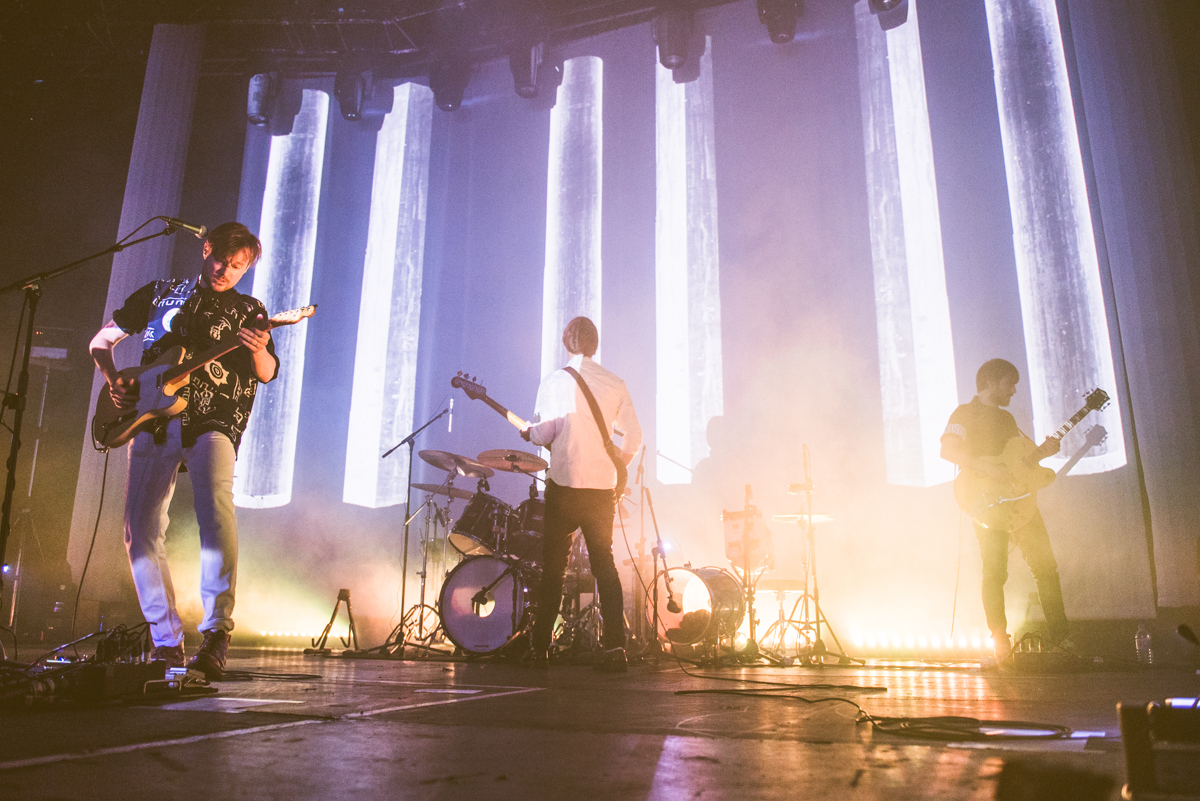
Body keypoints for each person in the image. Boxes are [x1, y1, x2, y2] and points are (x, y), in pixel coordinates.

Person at [89, 222, 278, 679]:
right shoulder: (159, 292)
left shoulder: (249, 309)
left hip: (215, 417)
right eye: (221, 260)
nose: (226, 271)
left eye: (239, 267)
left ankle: (217, 632)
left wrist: (255, 351)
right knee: (139, 529)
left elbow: (268, 372)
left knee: (215, 511)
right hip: (150, 420)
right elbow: (101, 341)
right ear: (207, 249)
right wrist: (114, 378)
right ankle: (165, 640)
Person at [521, 317, 642, 672]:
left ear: (565, 342)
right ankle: (615, 648)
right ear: (595, 344)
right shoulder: (614, 382)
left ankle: (541, 646)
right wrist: (618, 462)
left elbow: (545, 434)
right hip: (602, 488)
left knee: (554, 570)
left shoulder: (555, 381)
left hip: (565, 485)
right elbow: (634, 436)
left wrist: (529, 433)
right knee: (605, 565)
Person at [940, 358, 1070, 663]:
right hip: (987, 504)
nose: (1013, 391)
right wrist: (987, 468)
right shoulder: (963, 413)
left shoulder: (1008, 420)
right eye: (1008, 384)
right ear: (991, 382)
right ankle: (1000, 641)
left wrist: (1044, 452)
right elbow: (947, 450)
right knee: (995, 572)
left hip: (1022, 501)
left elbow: (1022, 461)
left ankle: (1063, 640)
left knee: (1046, 568)